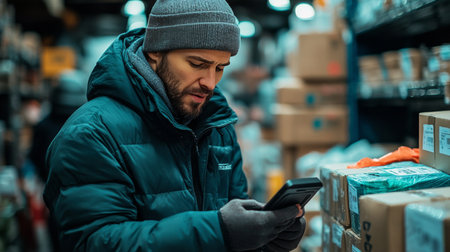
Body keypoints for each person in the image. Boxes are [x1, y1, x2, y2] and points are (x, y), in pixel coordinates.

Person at [43, 0, 306, 251]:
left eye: (219, 68)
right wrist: (219, 230)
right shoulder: (92, 134)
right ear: (155, 53)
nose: (210, 82)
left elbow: (232, 227)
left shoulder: (217, 127)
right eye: (197, 64)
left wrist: (264, 237)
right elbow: (95, 243)